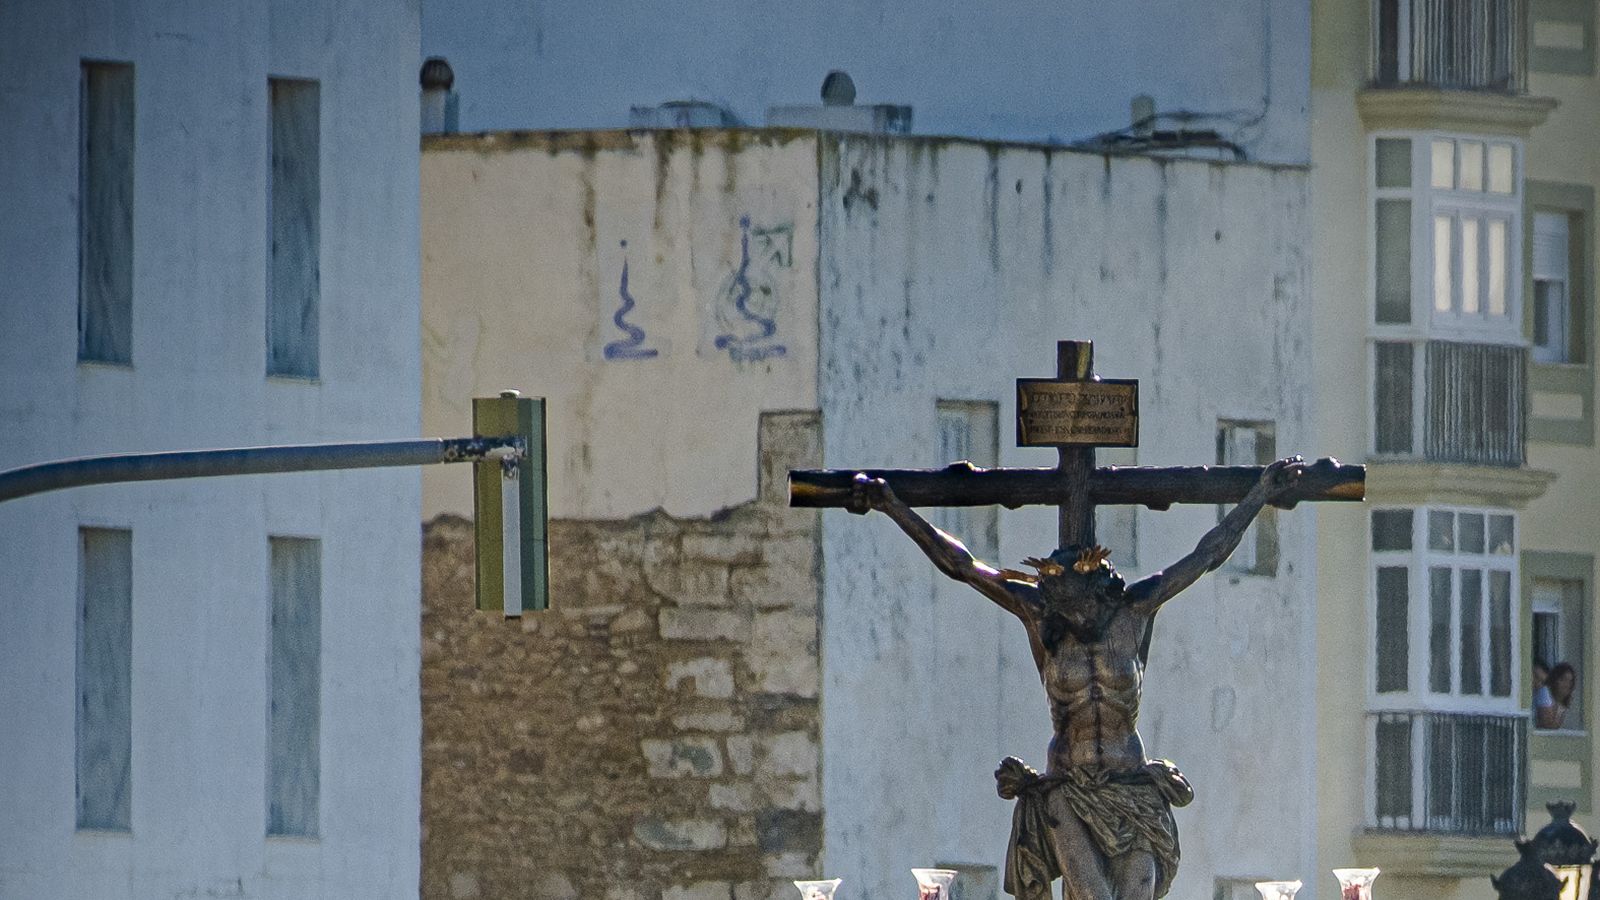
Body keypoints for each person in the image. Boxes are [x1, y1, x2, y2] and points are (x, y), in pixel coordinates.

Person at [850, 457, 1305, 900]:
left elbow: (1206, 555)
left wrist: (1260, 494)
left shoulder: (1135, 611)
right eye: (1059, 603)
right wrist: (893, 506)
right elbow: (963, 566)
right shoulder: (1040, 617)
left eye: (1076, 604)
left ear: (1096, 589)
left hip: (1132, 788)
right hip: (1068, 786)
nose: (1069, 614)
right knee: (1090, 895)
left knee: (1135, 893)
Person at [1537, 662, 1577, 730]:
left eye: (1570, 681)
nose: (1567, 685)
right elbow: (1548, 726)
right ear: (1555, 679)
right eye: (1563, 680)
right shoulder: (1544, 693)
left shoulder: (1563, 704)